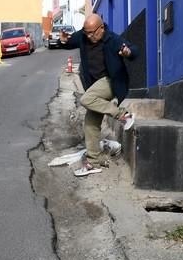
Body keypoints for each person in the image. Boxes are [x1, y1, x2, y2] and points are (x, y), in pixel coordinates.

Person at [58, 13, 138, 177]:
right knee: (90, 124)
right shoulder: (84, 36)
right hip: (95, 86)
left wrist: (128, 52)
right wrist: (64, 40)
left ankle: (123, 115)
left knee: (86, 99)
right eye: (86, 33)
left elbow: (133, 50)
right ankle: (94, 162)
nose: (89, 36)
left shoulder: (112, 39)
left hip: (110, 82)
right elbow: (70, 42)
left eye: (92, 33)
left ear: (101, 28)